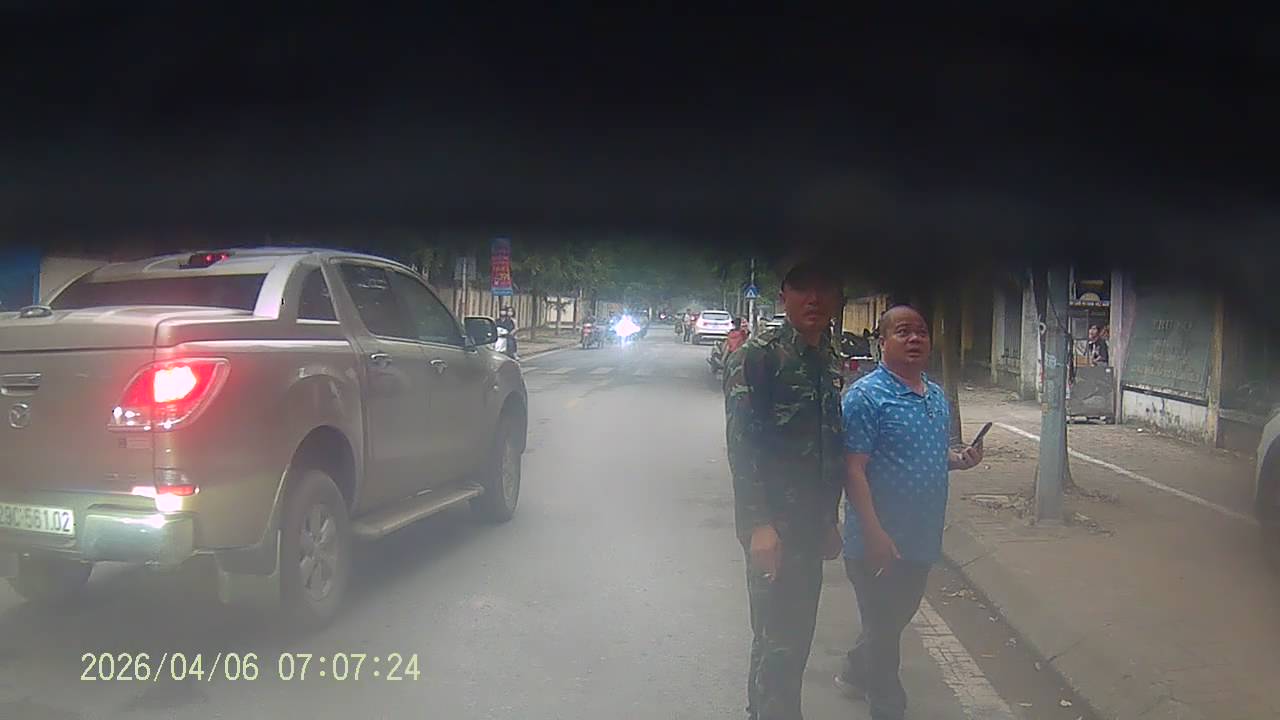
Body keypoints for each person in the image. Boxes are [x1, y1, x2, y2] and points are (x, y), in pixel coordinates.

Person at [835, 305, 984, 720]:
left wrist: (959, 460)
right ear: (882, 343)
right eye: (903, 332)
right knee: (885, 632)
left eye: (921, 331)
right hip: (876, 542)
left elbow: (928, 455)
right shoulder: (865, 397)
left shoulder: (935, 396)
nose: (915, 338)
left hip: (922, 537)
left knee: (893, 620)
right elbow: (852, 468)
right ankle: (888, 707)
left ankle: (855, 670)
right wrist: (874, 534)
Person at [724, 260, 847, 720]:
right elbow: (742, 445)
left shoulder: (827, 357)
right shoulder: (759, 357)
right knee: (778, 644)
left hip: (810, 526)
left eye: (823, 289)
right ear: (783, 298)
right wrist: (759, 525)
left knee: (790, 643)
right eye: (802, 289)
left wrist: (829, 519)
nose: (813, 299)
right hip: (774, 525)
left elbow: (828, 443)